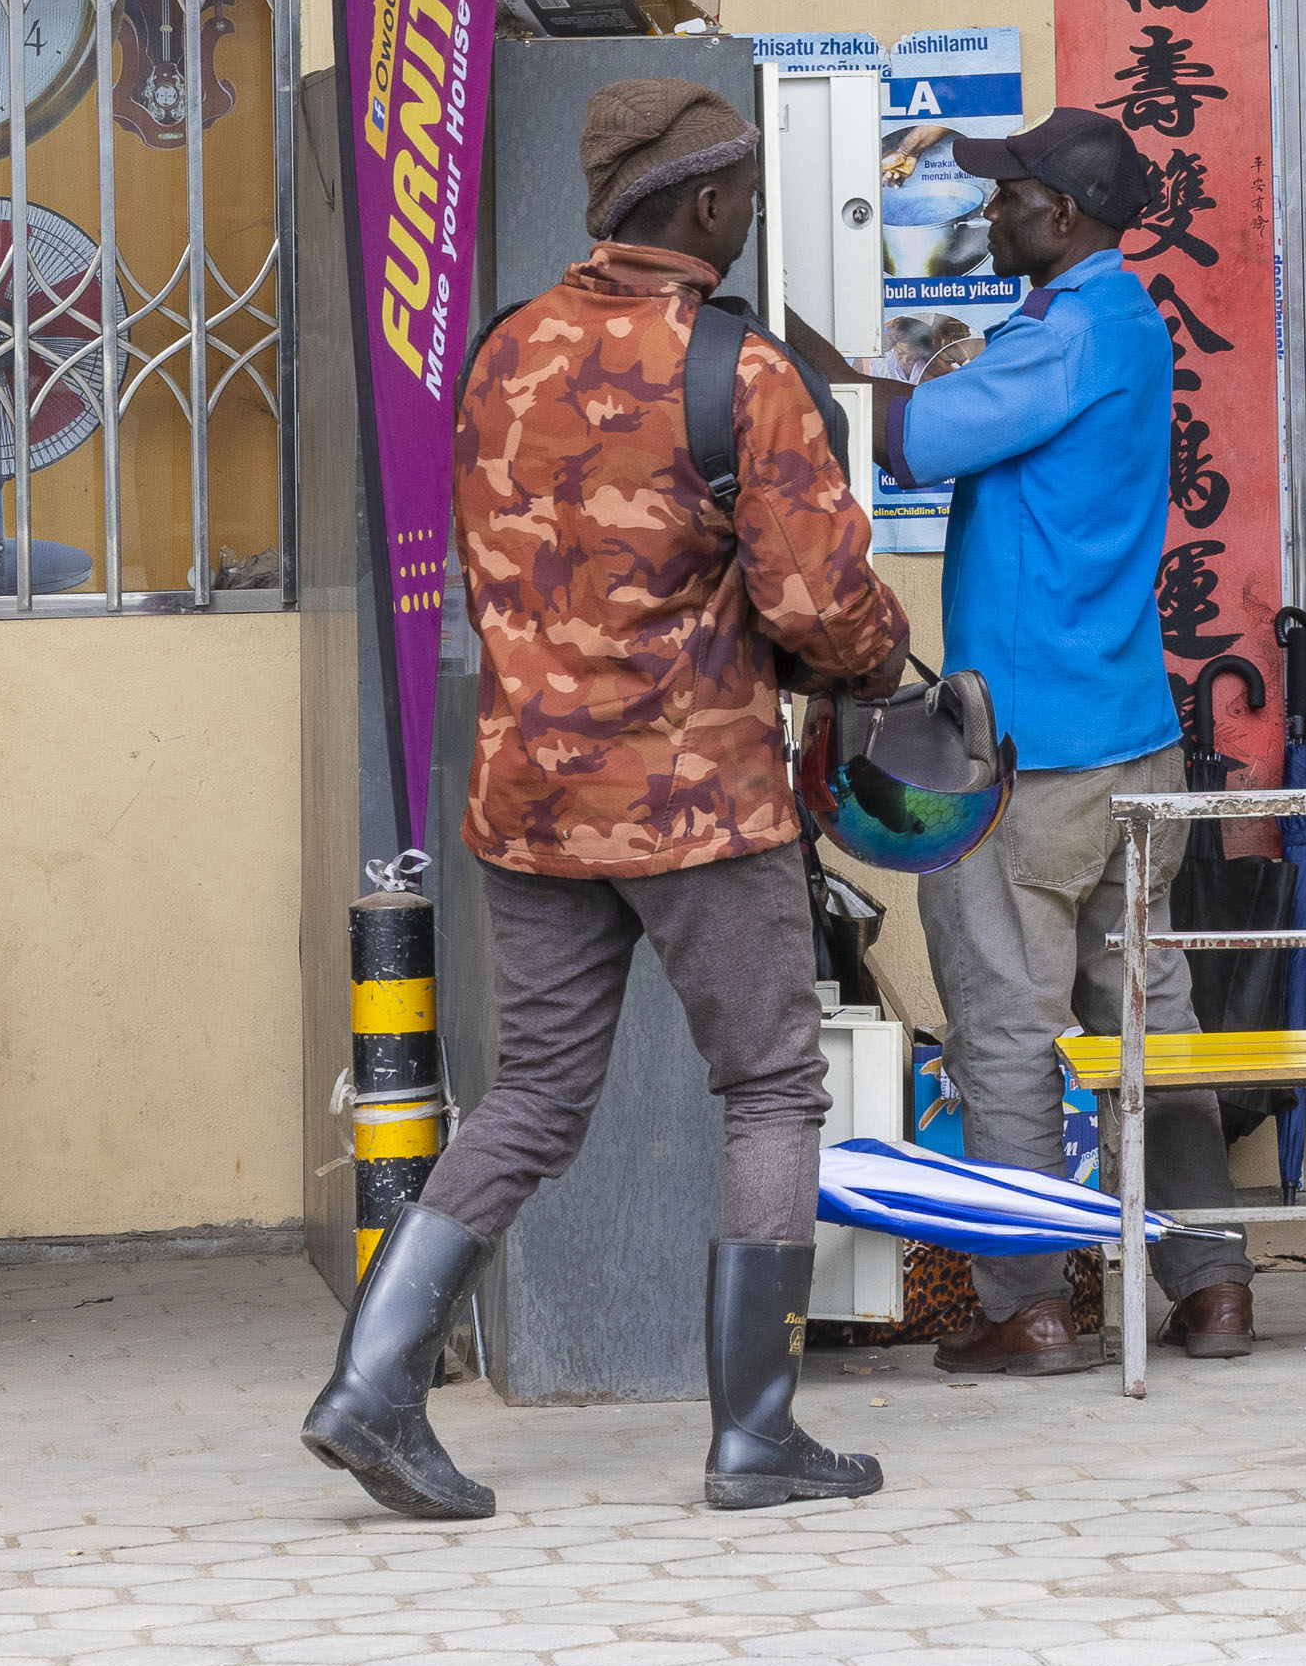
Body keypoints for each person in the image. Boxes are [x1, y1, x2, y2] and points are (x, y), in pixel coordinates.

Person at [302, 80, 914, 1523]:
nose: (751, 211)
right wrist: (885, 661)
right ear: (702, 205)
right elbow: (821, 603)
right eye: (743, 190)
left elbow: (488, 567)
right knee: (769, 1086)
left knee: (530, 1094)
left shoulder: (504, 353)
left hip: (530, 798)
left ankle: (372, 1383)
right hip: (697, 804)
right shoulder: (737, 369)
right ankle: (755, 1435)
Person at [873, 103, 1264, 1374]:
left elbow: (915, 437)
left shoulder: (1070, 330)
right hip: (1129, 737)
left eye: (1010, 192)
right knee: (1151, 1020)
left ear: (1069, 212)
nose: (991, 209)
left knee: (1003, 1023)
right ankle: (1212, 1289)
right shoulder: (1117, 324)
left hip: (1030, 756)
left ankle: (1028, 1304)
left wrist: (788, 370)